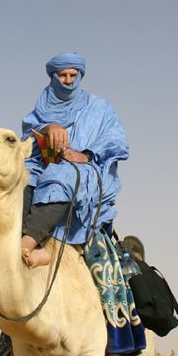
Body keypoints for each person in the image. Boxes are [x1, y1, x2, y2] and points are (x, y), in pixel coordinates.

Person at [20, 51, 128, 268]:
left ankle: (26, 244)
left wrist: (85, 154)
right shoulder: (43, 107)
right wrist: (48, 128)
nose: (68, 81)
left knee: (63, 174)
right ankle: (29, 240)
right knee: (23, 175)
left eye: (73, 75)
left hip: (85, 168)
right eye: (63, 76)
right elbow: (26, 140)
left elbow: (117, 140)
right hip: (47, 162)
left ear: (80, 76)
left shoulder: (99, 107)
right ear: (54, 77)